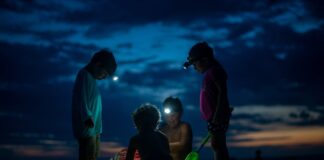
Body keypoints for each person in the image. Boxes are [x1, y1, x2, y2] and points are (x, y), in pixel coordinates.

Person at [183, 42, 232, 160]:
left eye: (195, 64)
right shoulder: (210, 73)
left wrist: (219, 113)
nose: (194, 67)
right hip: (213, 117)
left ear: (204, 60)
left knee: (218, 144)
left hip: (217, 116)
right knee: (216, 144)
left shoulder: (215, 71)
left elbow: (222, 92)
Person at [72, 49, 117, 160]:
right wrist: (87, 117)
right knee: (87, 155)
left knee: (94, 155)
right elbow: (81, 99)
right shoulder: (84, 75)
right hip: (87, 127)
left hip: (95, 128)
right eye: (104, 73)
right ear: (97, 64)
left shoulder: (91, 79)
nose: (104, 77)